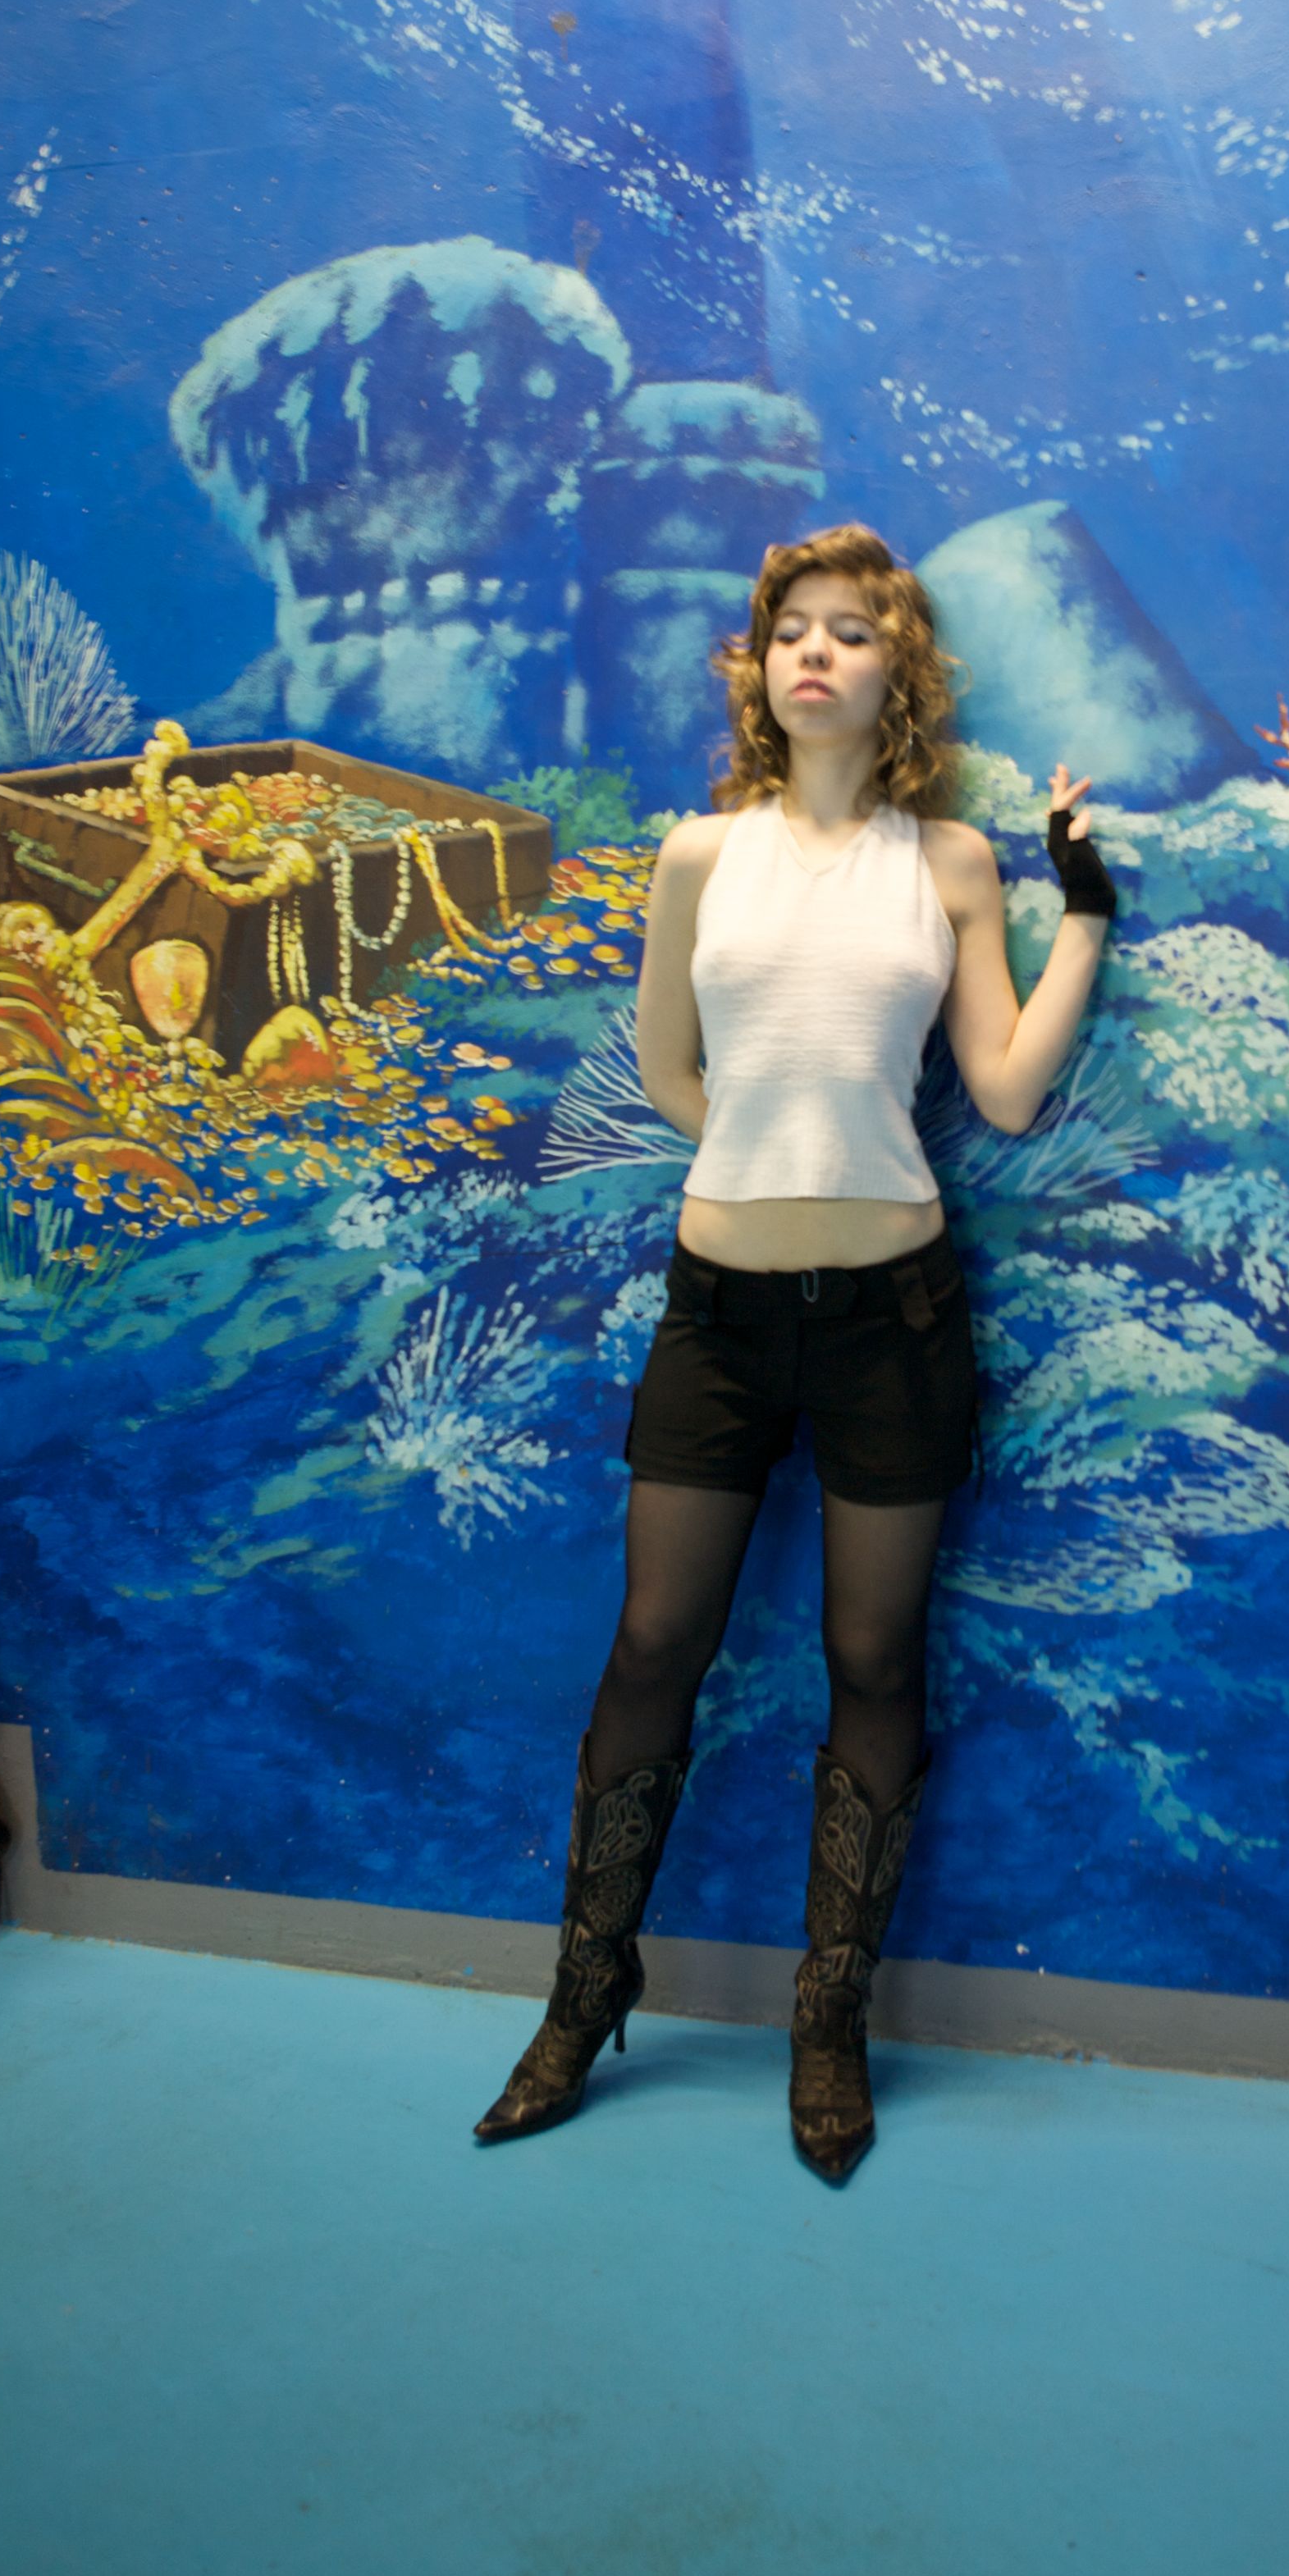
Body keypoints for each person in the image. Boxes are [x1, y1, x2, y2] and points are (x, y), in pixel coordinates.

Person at [475, 523, 1115, 2180]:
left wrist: (1084, 916)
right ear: (758, 670)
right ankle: (582, 1996)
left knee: (875, 1663)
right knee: (651, 1643)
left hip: (895, 1319)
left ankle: (829, 2020)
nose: (814, 652)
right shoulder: (700, 854)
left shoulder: (950, 863)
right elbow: (669, 1071)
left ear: (900, 671)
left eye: (851, 630)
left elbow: (1003, 1091)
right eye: (789, 631)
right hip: (721, 1310)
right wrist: (769, 1156)